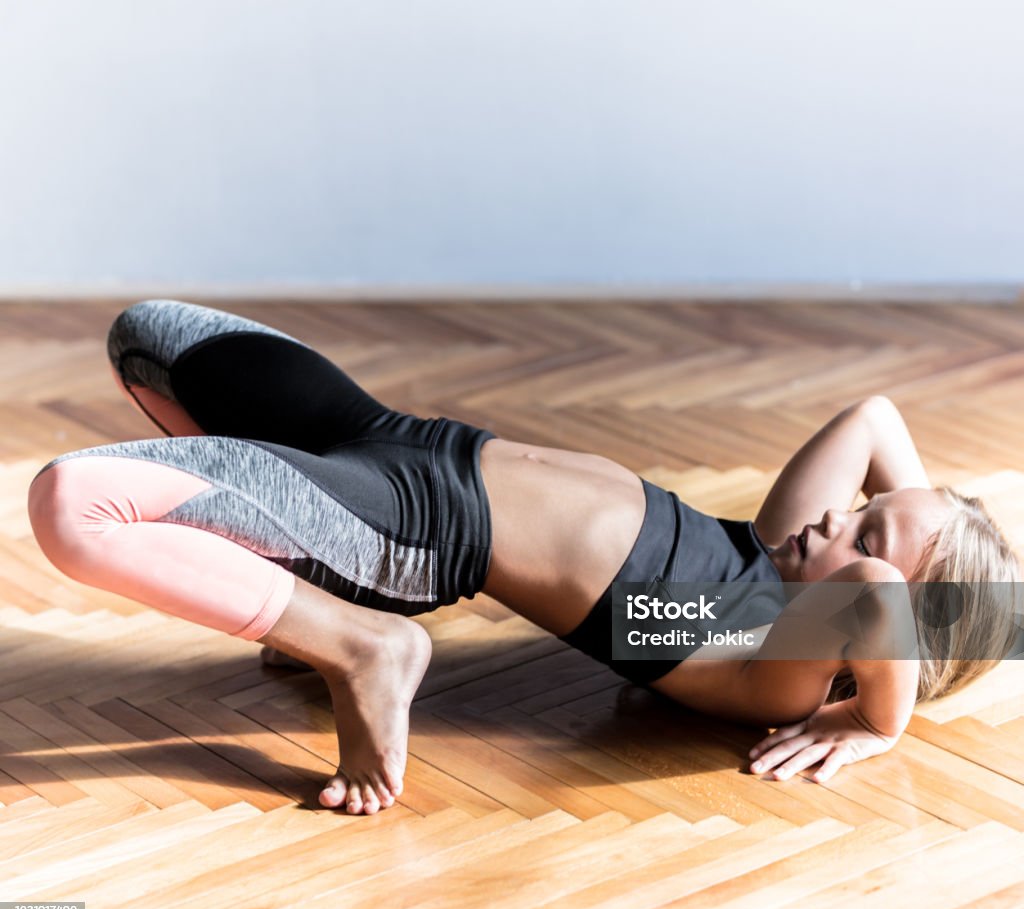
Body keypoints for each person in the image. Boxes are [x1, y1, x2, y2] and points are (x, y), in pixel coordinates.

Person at [27, 301, 1021, 816]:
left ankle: (361, 643)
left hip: (419, 525)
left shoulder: (770, 652)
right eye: (864, 509)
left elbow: (883, 589)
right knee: (149, 338)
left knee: (74, 504)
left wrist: (877, 720)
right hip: (394, 436)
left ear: (863, 650)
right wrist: (926, 520)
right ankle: (305, 584)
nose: (843, 521)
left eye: (869, 530)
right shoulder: (780, 552)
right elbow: (876, 417)